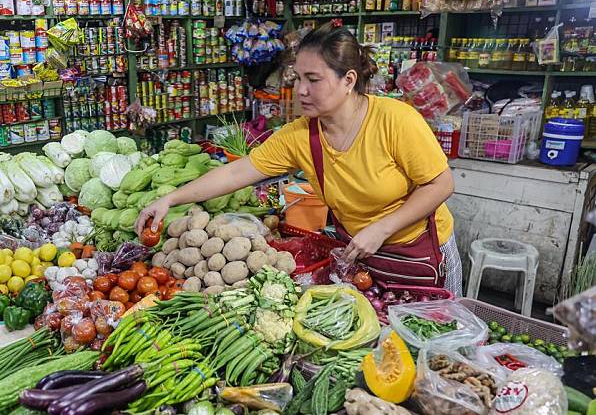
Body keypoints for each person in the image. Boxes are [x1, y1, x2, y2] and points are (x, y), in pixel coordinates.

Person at [136, 22, 463, 296]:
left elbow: (440, 184)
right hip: (360, 257)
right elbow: (237, 173)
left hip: (417, 252)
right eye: (298, 79)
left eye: (313, 80)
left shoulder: (395, 119)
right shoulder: (300, 136)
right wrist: (171, 198)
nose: (301, 90)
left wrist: (381, 229)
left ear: (348, 80)